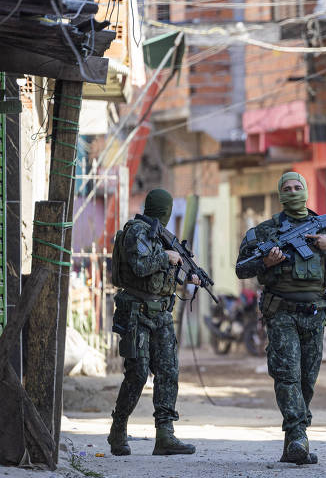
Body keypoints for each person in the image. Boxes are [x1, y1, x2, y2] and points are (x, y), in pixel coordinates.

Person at [235, 172, 326, 465]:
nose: (292, 192)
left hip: (315, 315)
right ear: (280, 195)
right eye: (286, 189)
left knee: (306, 382)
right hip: (281, 314)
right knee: (287, 375)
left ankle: (294, 439)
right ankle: (298, 436)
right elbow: (241, 269)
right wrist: (265, 261)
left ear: (306, 191)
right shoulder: (265, 232)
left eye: (297, 187)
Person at [107, 188, 199, 456]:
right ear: (162, 209)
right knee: (137, 373)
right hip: (137, 312)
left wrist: (185, 277)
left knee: (168, 372)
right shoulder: (137, 231)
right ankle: (118, 429)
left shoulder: (161, 236)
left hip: (161, 314)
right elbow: (140, 267)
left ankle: (165, 435)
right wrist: (166, 257)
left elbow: (160, 277)